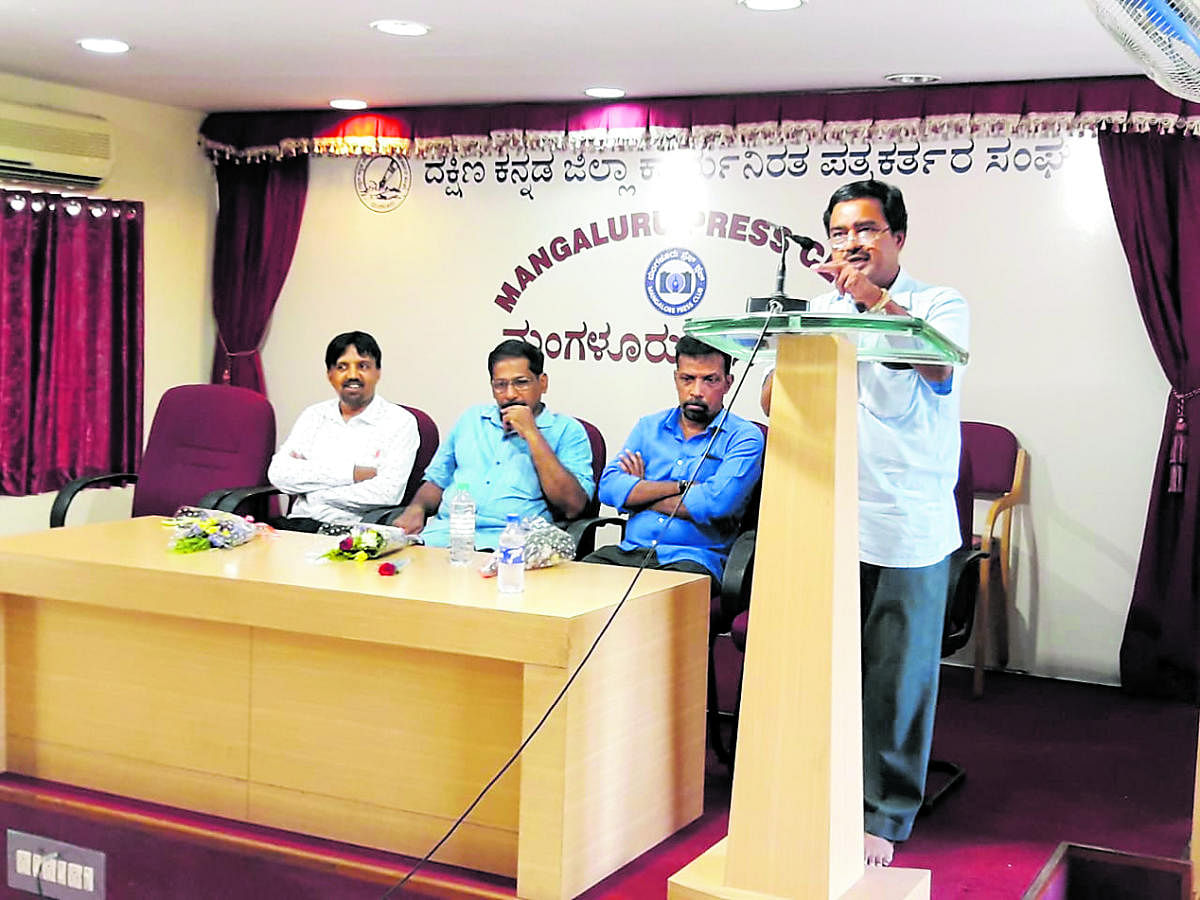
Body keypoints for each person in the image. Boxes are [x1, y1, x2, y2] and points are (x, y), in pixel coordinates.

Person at [761, 179, 968, 867]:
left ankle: (885, 811)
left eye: (867, 230)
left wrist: (869, 300)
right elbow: (772, 395)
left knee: (895, 676)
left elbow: (936, 363)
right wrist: (790, 348)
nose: (852, 244)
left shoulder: (939, 304)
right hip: (829, 513)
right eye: (841, 232)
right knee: (825, 668)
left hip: (906, 519)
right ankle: (823, 791)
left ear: (898, 239)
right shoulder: (820, 310)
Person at [583, 335, 764, 589]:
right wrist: (682, 486)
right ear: (676, 378)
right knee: (573, 591)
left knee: (645, 609)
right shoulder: (649, 427)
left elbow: (716, 503)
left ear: (727, 383)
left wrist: (642, 494)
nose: (697, 391)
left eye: (709, 380)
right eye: (688, 379)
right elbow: (610, 488)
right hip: (628, 553)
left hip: (692, 561)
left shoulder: (744, 437)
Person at [393, 339, 593, 548]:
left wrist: (532, 434)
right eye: (501, 385)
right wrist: (416, 508)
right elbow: (437, 480)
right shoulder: (471, 420)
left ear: (542, 383)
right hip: (445, 538)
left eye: (521, 382)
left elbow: (573, 506)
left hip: (513, 547)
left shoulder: (567, 431)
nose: (510, 394)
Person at [267, 331, 419, 532]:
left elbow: (388, 492)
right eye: (342, 367)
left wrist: (315, 491)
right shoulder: (314, 415)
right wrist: (353, 473)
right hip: (296, 525)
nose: (353, 375)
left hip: (352, 531)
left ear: (378, 372)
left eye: (363, 366)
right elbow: (278, 474)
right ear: (330, 375)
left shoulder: (399, 422)